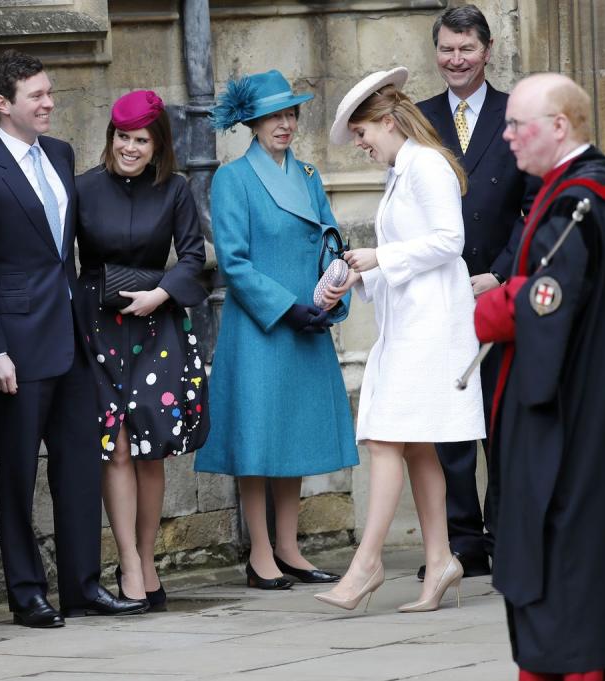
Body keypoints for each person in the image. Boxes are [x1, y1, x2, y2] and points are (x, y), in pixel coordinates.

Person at [0, 50, 145, 627]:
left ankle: (82, 585)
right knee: (17, 472)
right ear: (2, 104)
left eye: (49, 92)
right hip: (17, 346)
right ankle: (26, 591)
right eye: (36, 95)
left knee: (80, 464)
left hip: (72, 338)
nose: (49, 103)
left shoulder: (59, 155)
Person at [315, 67, 484, 612]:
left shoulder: (425, 165)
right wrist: (361, 277)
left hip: (431, 328)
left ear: (387, 122)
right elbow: (415, 252)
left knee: (388, 435)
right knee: (415, 446)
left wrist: (379, 257)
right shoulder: (401, 170)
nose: (360, 145)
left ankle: (367, 562)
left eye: (362, 134)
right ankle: (441, 561)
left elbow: (449, 241)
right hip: (411, 324)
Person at [474, 72, 605, 681]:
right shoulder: (600, 187)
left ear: (558, 127)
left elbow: (546, 305)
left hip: (569, 415)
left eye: (517, 125)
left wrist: (492, 309)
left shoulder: (572, 205)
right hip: (599, 400)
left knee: (558, 559)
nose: (506, 135)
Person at [194, 70, 358, 590]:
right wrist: (286, 308)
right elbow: (234, 264)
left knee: (295, 433)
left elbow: (330, 241)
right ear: (252, 123)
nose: (284, 124)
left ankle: (290, 546)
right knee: (258, 435)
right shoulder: (232, 179)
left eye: (290, 114)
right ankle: (260, 553)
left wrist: (333, 295)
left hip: (308, 318)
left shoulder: (308, 175)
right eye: (273, 116)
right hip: (263, 323)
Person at [415, 3, 537, 581]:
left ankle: (506, 536)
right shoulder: (417, 118)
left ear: (487, 50)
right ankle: (463, 545)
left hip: (497, 290)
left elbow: (535, 206)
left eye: (466, 49)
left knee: (501, 419)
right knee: (451, 428)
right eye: (446, 49)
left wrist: (502, 271)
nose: (455, 60)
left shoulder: (519, 114)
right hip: (439, 296)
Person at [76, 90, 209, 609]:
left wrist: (161, 293)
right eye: (123, 137)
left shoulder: (174, 190)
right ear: (111, 137)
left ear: (158, 146)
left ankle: (148, 557)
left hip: (157, 329)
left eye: (141, 140)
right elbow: (61, 257)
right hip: (97, 328)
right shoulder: (83, 187)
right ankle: (127, 559)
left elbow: (194, 255)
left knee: (152, 450)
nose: (130, 148)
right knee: (118, 446)